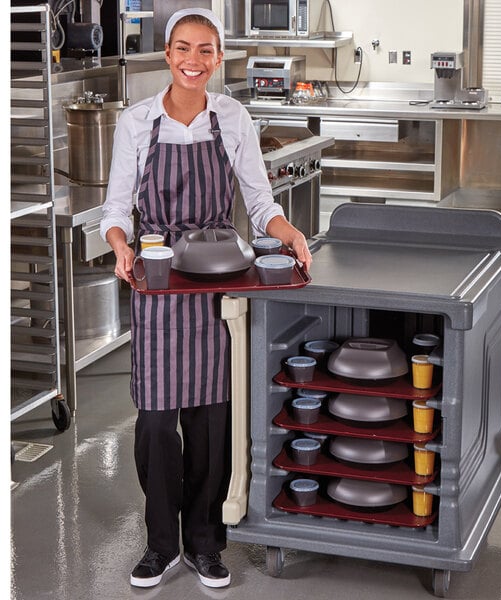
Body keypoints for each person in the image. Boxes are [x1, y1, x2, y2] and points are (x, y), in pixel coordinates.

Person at [100, 8, 312, 590]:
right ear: (168, 55)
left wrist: (290, 235)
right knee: (155, 424)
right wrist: (121, 247)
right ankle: (160, 544)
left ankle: (204, 543)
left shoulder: (234, 117)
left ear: (219, 58)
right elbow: (117, 211)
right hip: (160, 277)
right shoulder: (137, 122)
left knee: (213, 421)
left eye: (206, 51)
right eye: (183, 49)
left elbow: (260, 202)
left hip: (220, 278)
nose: (194, 60)